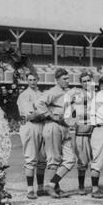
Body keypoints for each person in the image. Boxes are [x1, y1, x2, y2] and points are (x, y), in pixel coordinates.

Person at [37, 68, 75, 198]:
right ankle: (53, 188)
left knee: (70, 159)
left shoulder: (66, 93)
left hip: (64, 127)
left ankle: (52, 184)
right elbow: (39, 103)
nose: (67, 81)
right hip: (53, 126)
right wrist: (50, 115)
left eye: (67, 78)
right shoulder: (53, 91)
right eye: (64, 79)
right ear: (57, 79)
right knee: (54, 159)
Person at [16, 73, 47, 199]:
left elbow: (45, 112)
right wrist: (43, 113)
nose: (33, 82)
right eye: (30, 80)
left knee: (42, 158)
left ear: (38, 80)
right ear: (26, 80)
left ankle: (40, 188)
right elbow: (31, 115)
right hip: (30, 126)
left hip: (43, 126)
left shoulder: (42, 95)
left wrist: (43, 113)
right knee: (30, 158)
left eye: (35, 79)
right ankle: (30, 190)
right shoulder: (23, 95)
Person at [66, 71, 94, 195]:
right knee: (82, 161)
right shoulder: (77, 94)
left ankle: (95, 186)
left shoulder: (97, 95)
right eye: (84, 81)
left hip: (95, 132)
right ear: (80, 83)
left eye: (88, 80)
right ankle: (81, 186)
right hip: (81, 132)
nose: (87, 83)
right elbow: (71, 112)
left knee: (96, 161)